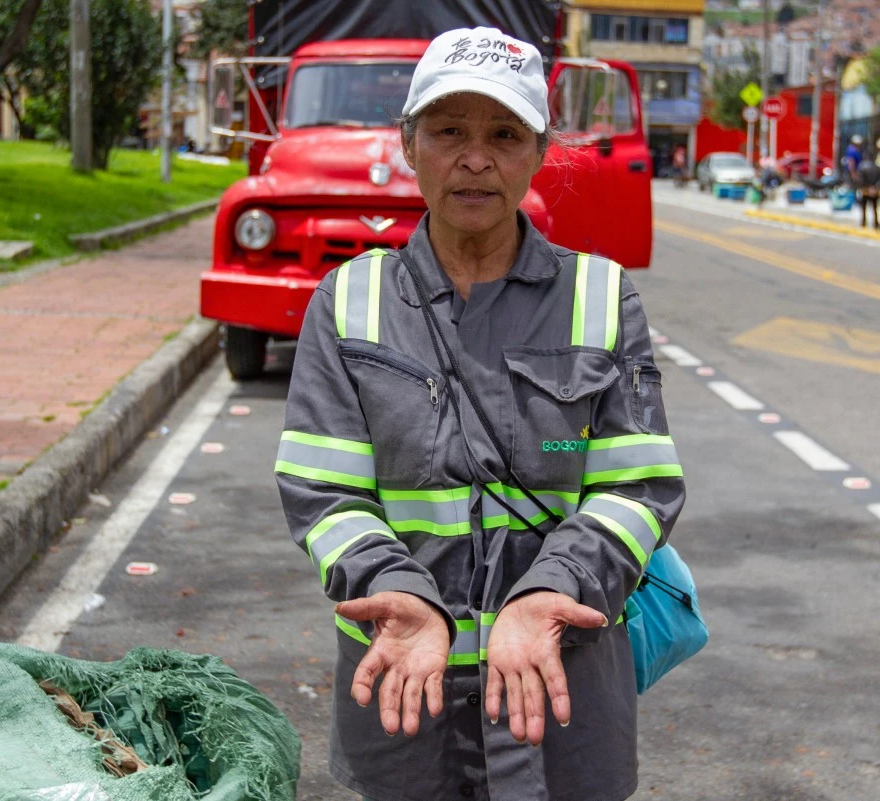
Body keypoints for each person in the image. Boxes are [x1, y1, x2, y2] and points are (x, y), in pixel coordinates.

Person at [275, 26, 686, 801]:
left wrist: (548, 593)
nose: (474, 158)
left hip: (559, 690)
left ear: (539, 153)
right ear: (409, 144)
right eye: (449, 132)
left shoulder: (602, 296)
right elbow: (322, 491)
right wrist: (396, 590)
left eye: (503, 134)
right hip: (403, 687)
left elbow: (638, 487)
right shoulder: (349, 300)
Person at [856, 149, 880, 229]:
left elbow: (861, 180)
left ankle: (863, 222)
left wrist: (866, 187)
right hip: (875, 191)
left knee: (864, 208)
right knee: (875, 208)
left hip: (866, 190)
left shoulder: (862, 168)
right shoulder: (878, 169)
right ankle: (876, 223)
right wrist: (875, 187)